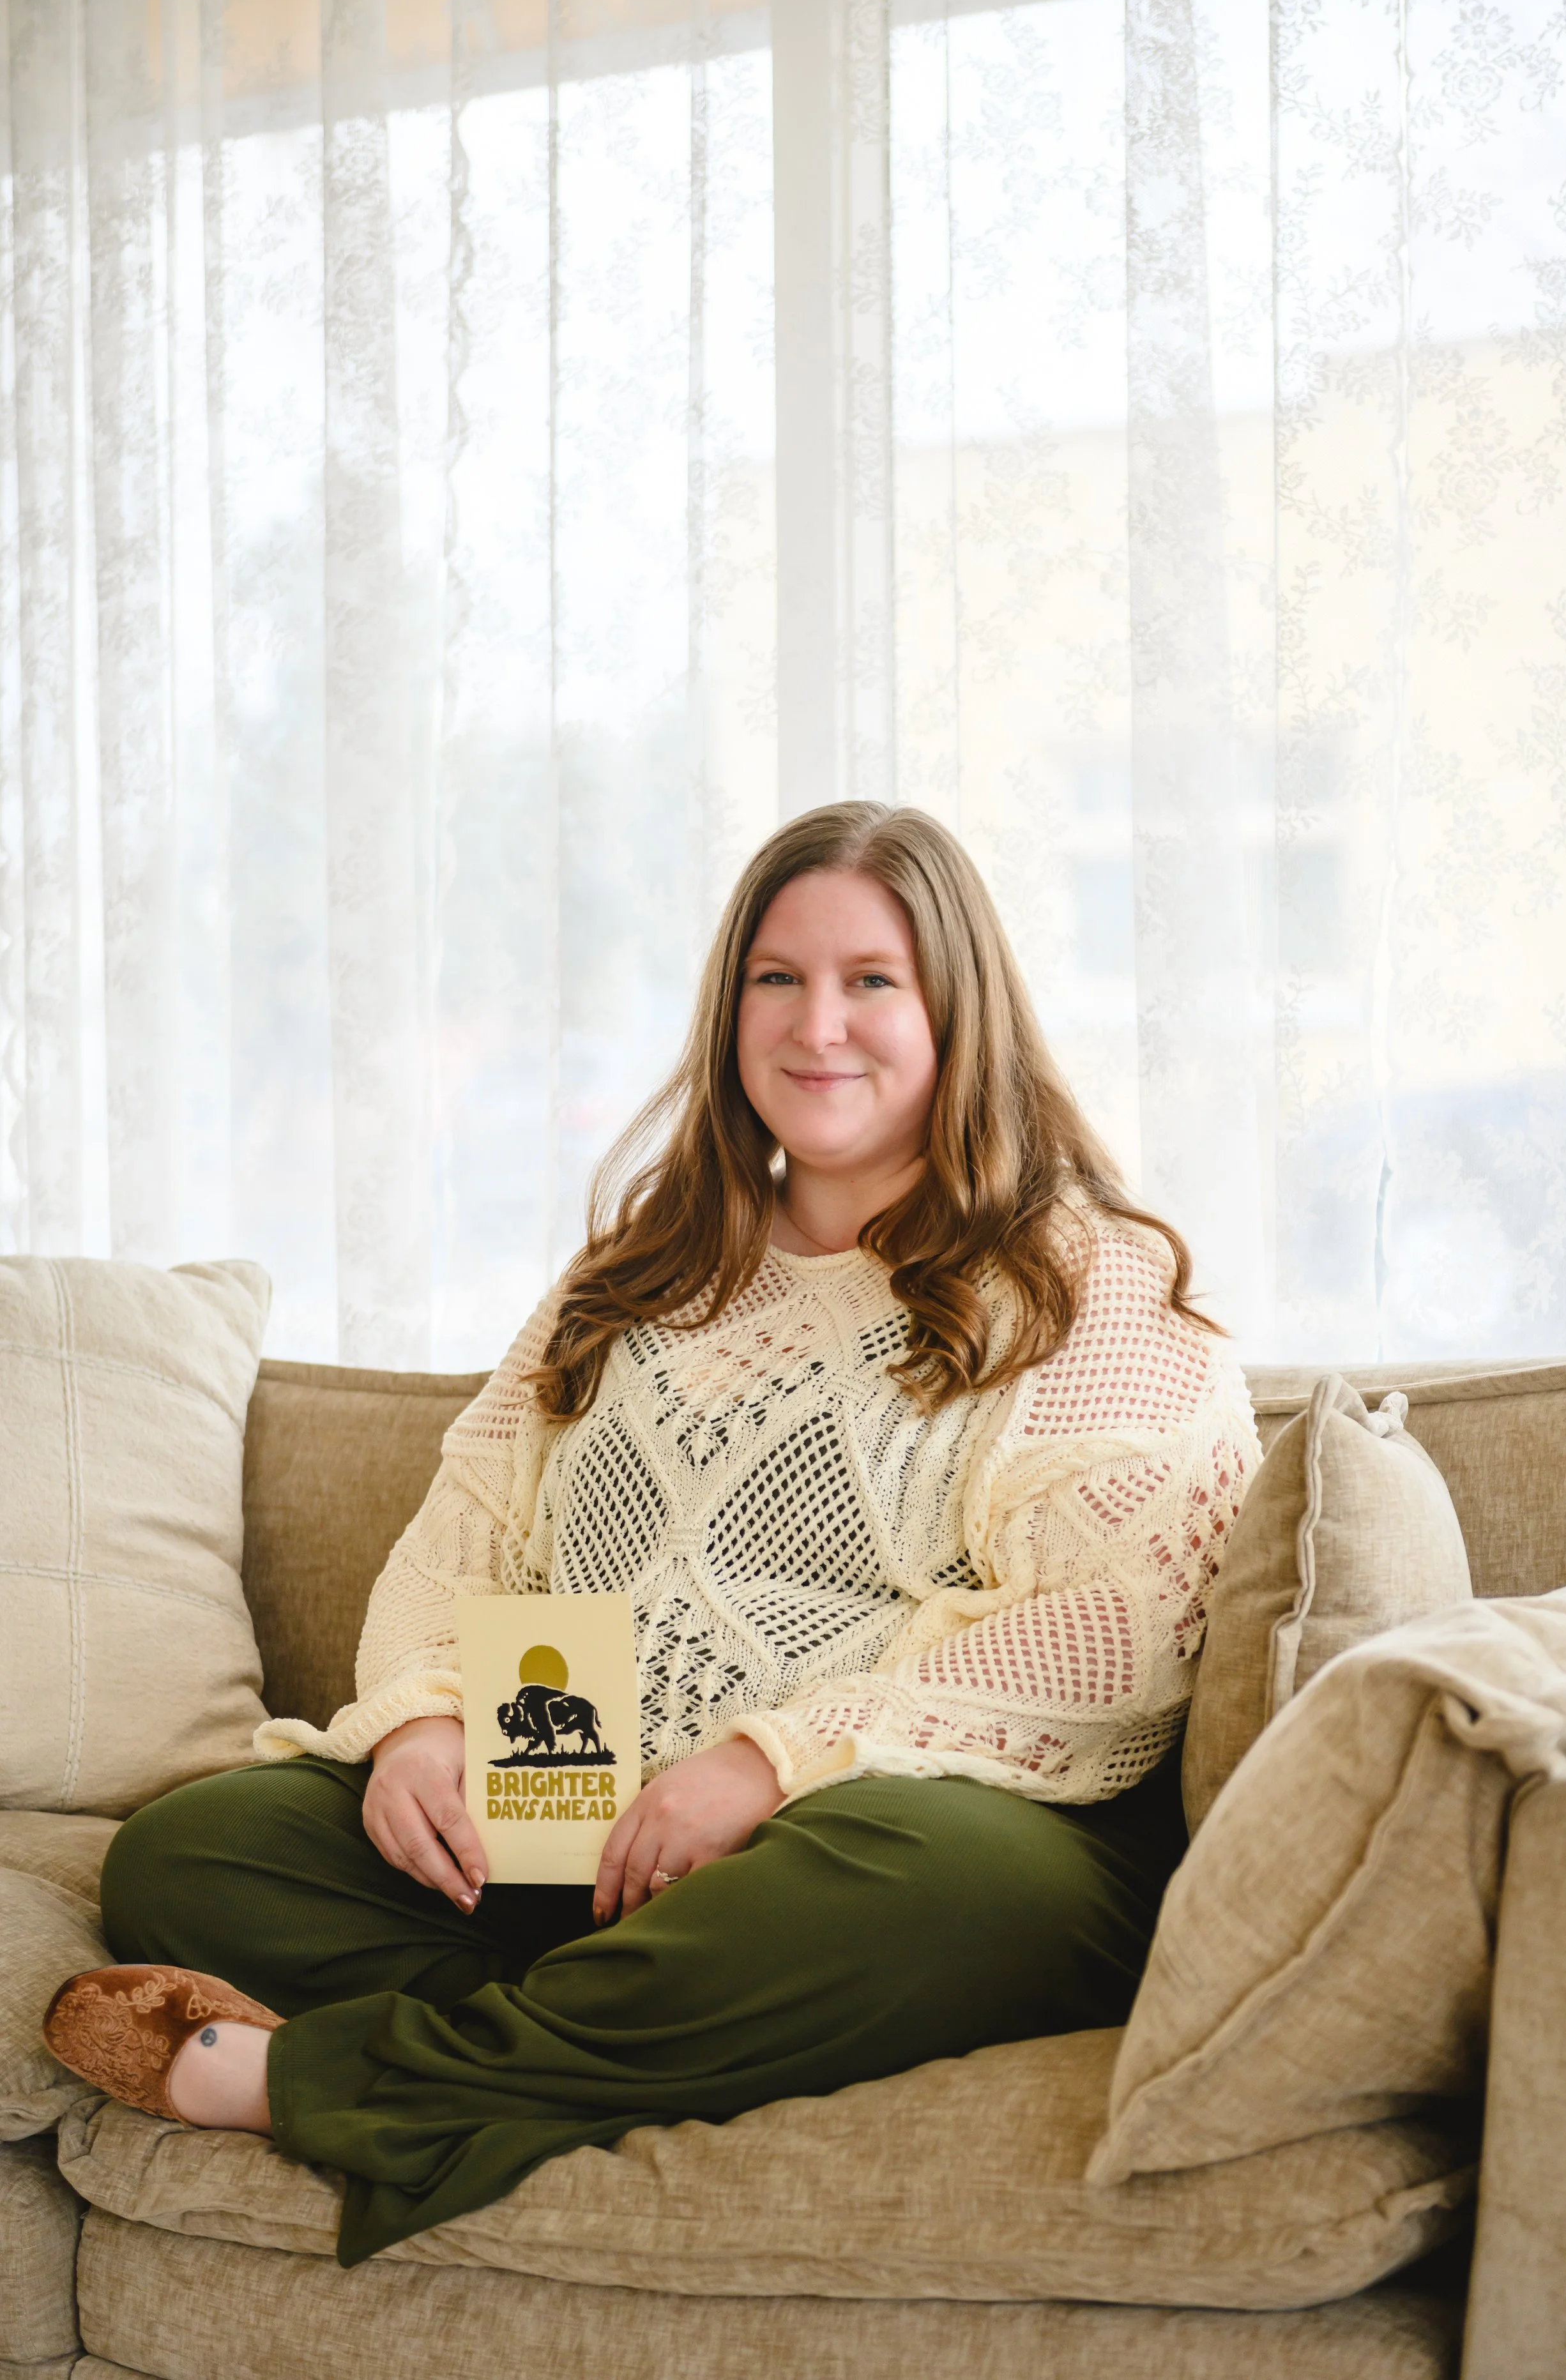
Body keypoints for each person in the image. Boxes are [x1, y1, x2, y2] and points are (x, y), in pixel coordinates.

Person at [47, 801, 1258, 2268]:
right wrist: (423, 1725)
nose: (816, 1025)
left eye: (871, 980)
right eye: (775, 978)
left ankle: (335, 2078)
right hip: (581, 1821)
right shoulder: (636, 1277)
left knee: (920, 1880)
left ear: (958, 1009)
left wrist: (766, 1764)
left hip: (911, 1832)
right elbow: (462, 1542)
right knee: (195, 1852)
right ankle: (636, 2024)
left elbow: (1110, 1637)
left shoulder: (1088, 1282)